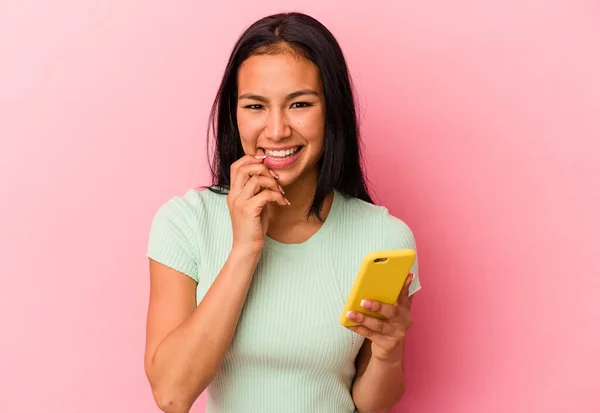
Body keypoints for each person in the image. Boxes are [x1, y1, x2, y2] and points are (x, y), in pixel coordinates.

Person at [144, 11, 421, 413]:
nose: (276, 131)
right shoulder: (185, 223)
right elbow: (172, 394)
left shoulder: (382, 237)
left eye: (300, 104)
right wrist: (245, 248)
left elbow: (371, 405)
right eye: (255, 105)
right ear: (233, 114)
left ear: (332, 111)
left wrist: (388, 353)